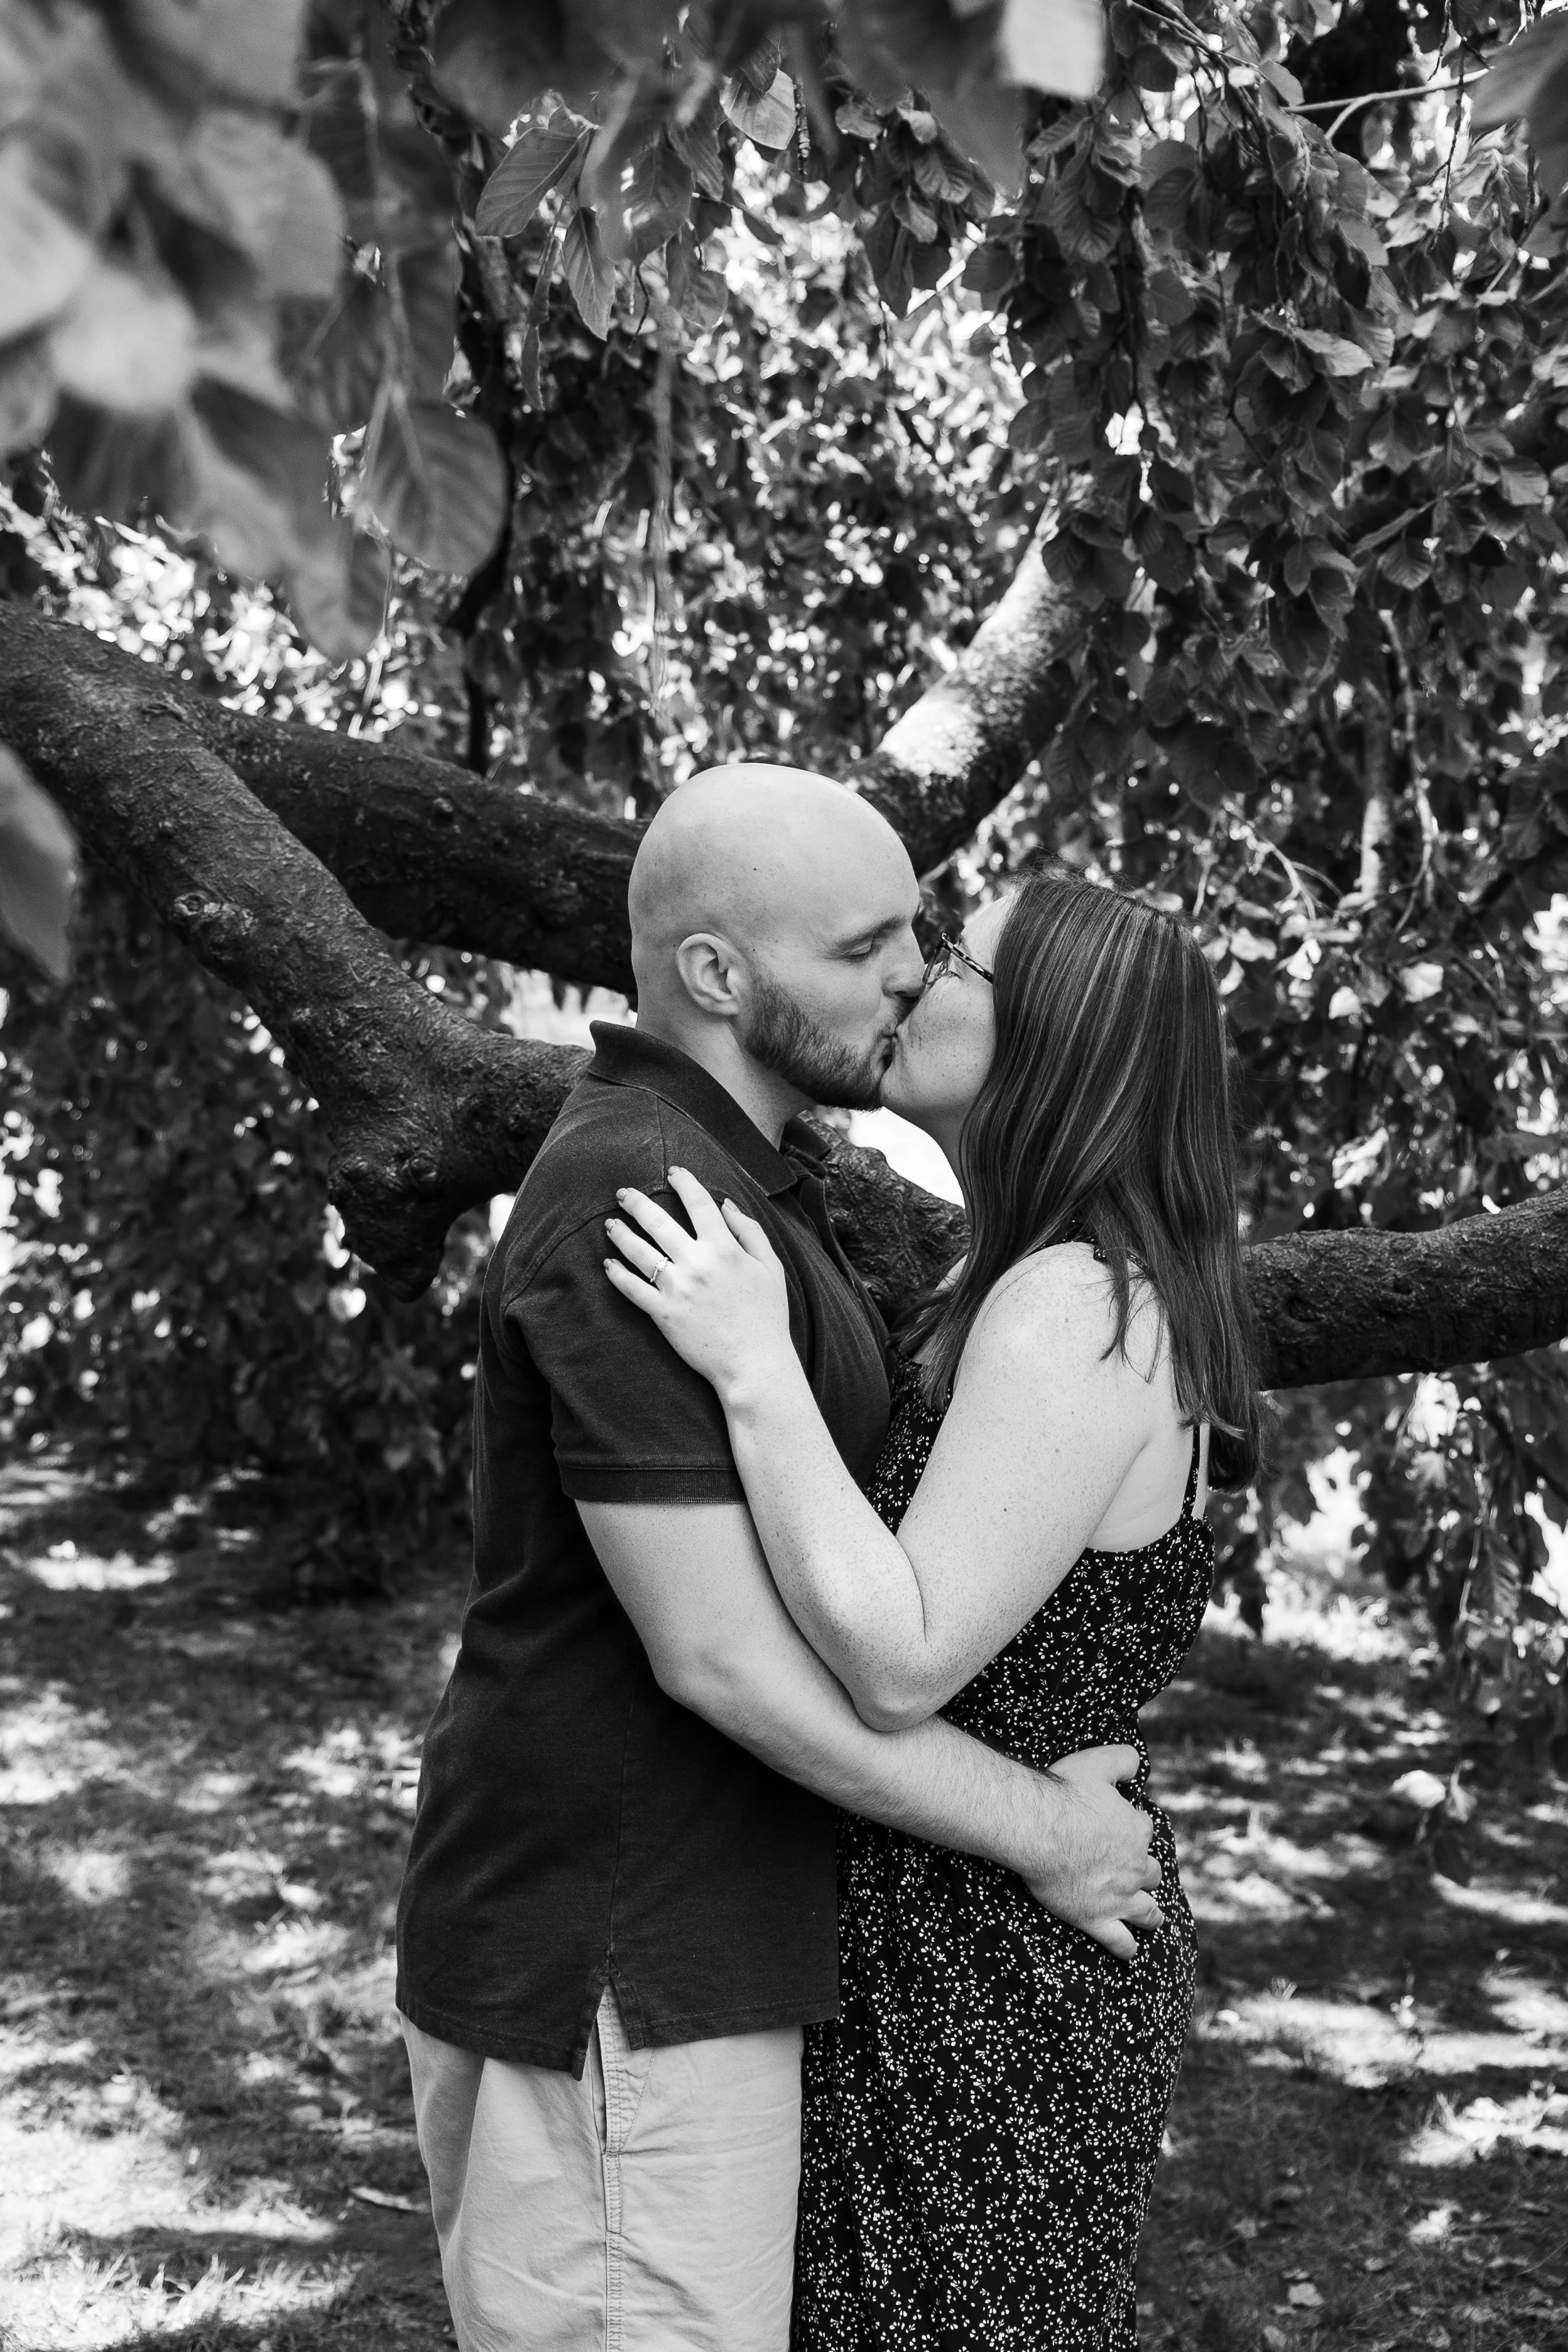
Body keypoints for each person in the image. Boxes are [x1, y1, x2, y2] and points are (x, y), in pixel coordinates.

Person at [395, 774, 1167, 2352]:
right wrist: (1047, 1832)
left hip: (710, 1955)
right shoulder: (646, 1197)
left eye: (930, 940)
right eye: (872, 942)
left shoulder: (772, 1189)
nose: (910, 972)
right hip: (623, 1957)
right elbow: (724, 1658)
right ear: (720, 978)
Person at [604, 866, 1266, 2351]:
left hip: (992, 1971)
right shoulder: (1025, 1277)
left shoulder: (1076, 1309)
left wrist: (751, 1363)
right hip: (952, 1917)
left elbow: (903, 1663)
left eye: (957, 952)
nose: (911, 971)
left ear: (1054, 1038)